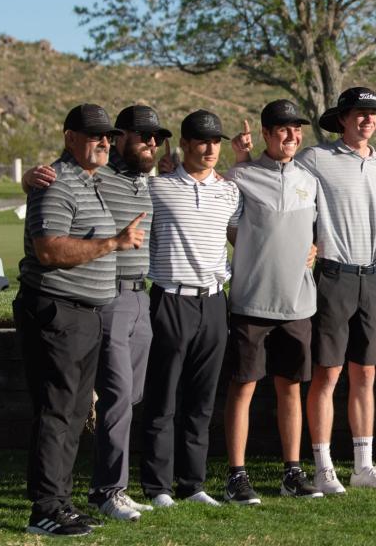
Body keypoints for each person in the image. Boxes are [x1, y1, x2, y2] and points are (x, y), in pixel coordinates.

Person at [21, 105, 170, 521]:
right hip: (79, 303)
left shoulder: (131, 180)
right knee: (82, 405)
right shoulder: (80, 176)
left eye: (156, 137)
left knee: (103, 403)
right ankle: (86, 496)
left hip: (121, 301)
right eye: (142, 137)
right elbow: (48, 235)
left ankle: (62, 498)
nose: (151, 143)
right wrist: (27, 179)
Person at [297, 87, 376, 493]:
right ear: (342, 118)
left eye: (374, 114)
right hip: (335, 276)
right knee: (328, 373)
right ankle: (323, 468)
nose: (368, 120)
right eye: (359, 113)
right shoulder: (316, 159)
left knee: (366, 373)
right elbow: (288, 191)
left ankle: (363, 466)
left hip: (375, 277)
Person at [221, 100, 323, 501]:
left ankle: (292, 473)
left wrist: (310, 246)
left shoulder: (309, 179)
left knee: (290, 388)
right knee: (243, 387)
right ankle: (236, 475)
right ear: (265, 133)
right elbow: (230, 231)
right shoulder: (241, 176)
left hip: (297, 304)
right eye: (282, 129)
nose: (290, 136)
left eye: (296, 130)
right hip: (251, 301)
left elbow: (314, 231)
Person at [140, 109, 242, 507]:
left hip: (214, 302)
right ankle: (158, 486)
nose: (210, 147)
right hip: (170, 298)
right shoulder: (159, 188)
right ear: (183, 144)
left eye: (215, 141)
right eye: (201, 140)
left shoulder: (231, 192)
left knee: (201, 400)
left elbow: (241, 234)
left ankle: (191, 483)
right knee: (163, 398)